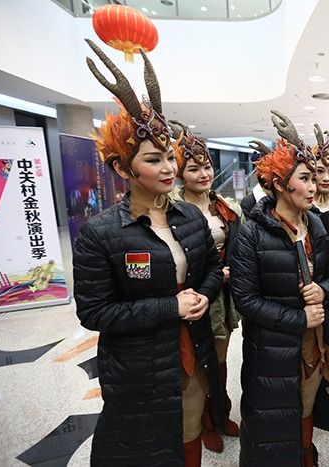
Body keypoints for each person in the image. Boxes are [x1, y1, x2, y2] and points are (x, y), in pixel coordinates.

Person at [73, 39, 225, 466]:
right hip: (138, 365)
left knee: (191, 426)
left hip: (193, 349)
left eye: (169, 157)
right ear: (122, 168)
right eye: (154, 160)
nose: (169, 168)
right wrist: (170, 307)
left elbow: (212, 270)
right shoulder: (101, 232)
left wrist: (202, 295)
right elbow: (95, 312)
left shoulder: (189, 216)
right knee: (147, 445)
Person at [230, 140, 329, 466]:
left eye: (314, 178)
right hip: (271, 351)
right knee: (272, 422)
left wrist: (323, 291)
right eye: (305, 178)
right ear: (280, 184)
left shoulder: (317, 224)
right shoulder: (252, 234)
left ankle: (307, 455)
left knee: (307, 406)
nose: (314, 186)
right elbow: (245, 300)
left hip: (315, 344)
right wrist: (299, 319)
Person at [170, 121, 242, 451]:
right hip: (190, 295)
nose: (203, 174)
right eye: (193, 168)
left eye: (207, 166)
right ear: (180, 173)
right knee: (198, 361)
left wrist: (233, 271)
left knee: (221, 357)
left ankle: (220, 411)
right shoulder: (171, 209)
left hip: (223, 296)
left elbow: (241, 246)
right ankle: (203, 423)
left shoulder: (226, 207)